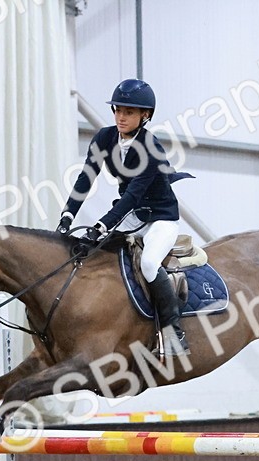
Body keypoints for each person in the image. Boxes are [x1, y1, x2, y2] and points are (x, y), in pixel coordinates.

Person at [57, 78, 191, 357]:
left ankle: (173, 332)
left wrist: (101, 225)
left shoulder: (150, 147)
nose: (120, 117)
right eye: (118, 110)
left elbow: (132, 196)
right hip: (131, 214)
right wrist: (67, 216)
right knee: (94, 255)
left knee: (151, 264)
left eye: (128, 112)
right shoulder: (104, 138)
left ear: (145, 115)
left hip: (160, 217)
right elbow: (86, 177)